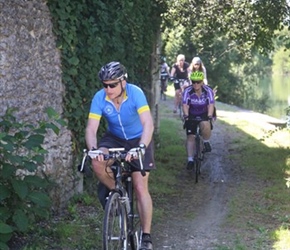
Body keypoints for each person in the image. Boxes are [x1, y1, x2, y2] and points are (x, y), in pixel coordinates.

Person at [85, 61, 155, 250]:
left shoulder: (136, 93)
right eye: (105, 85)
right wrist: (94, 148)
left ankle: (146, 237)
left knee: (140, 187)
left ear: (123, 82)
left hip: (139, 139)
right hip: (114, 138)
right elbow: (92, 128)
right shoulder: (100, 98)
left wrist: (141, 146)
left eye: (112, 85)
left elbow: (148, 123)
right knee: (98, 162)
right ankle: (119, 194)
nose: (108, 89)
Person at [182, 71, 215, 170]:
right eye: (193, 82)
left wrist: (209, 116)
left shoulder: (208, 91)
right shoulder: (188, 91)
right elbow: (185, 105)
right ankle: (190, 160)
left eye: (198, 82)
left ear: (202, 82)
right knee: (190, 136)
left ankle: (206, 142)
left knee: (205, 124)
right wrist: (186, 116)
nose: (196, 84)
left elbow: (211, 104)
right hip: (191, 113)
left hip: (204, 113)